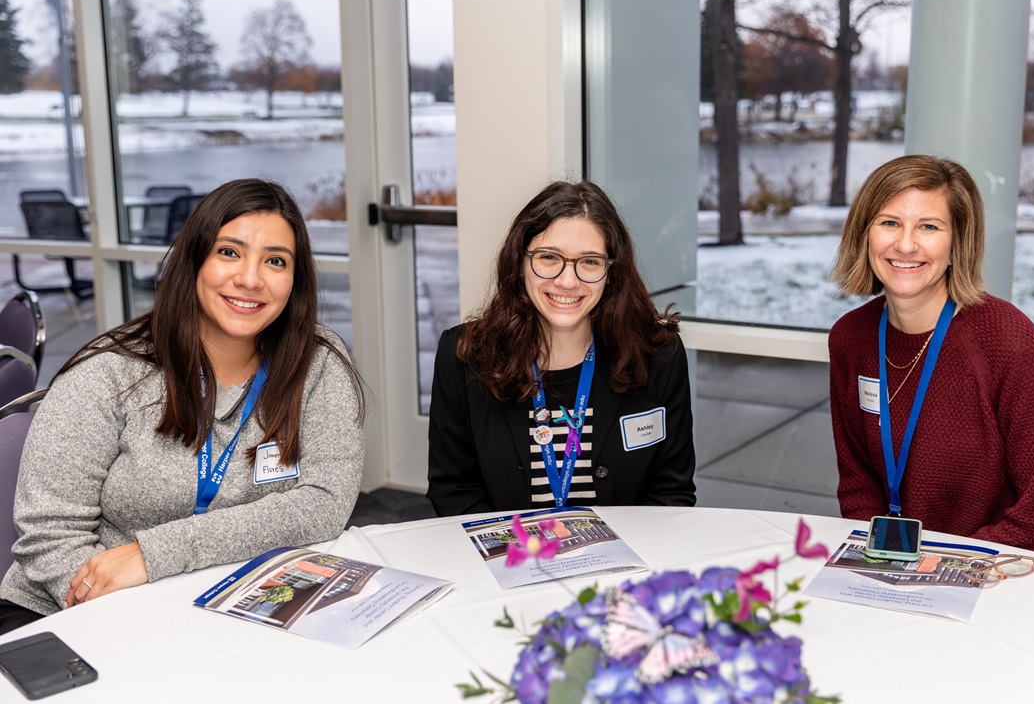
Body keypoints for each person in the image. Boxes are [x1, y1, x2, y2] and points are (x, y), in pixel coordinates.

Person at [0, 179, 366, 633]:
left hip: (234, 602)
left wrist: (153, 554)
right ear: (193, 261)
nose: (250, 279)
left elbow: (323, 503)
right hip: (76, 612)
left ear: (295, 280)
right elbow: (50, 535)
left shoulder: (318, 361)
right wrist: (151, 622)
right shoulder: (110, 373)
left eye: (275, 261)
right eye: (229, 252)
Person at [828, 155, 1034, 562]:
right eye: (889, 222)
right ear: (864, 233)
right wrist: (882, 567)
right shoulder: (850, 338)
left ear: (957, 244)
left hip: (1015, 568)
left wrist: (944, 566)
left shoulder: (1007, 340)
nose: (906, 244)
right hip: (904, 568)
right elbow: (859, 487)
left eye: (929, 226)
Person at [427, 180, 696, 516]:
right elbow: (453, 490)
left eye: (590, 262)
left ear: (612, 272)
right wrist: (515, 559)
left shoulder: (658, 357)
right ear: (520, 262)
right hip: (508, 560)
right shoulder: (466, 355)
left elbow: (671, 493)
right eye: (549, 257)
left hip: (625, 564)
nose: (568, 281)